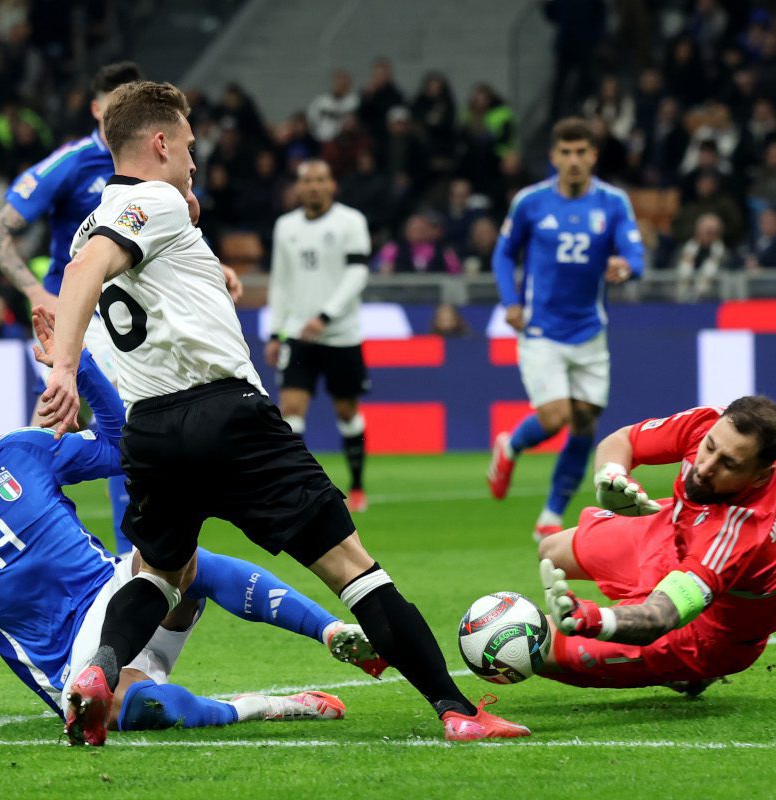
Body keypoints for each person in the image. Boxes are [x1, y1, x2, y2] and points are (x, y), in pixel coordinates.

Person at [39, 80, 528, 745]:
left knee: (159, 572)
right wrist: (64, 371)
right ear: (157, 143)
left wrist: (207, 267)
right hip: (225, 414)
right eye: (186, 146)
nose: (192, 160)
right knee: (352, 567)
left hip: (150, 429)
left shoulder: (101, 217)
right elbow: (90, 270)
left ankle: (100, 670)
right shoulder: (153, 201)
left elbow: (105, 271)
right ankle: (458, 711)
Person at [0, 308, 379, 735]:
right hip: (66, 661)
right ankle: (266, 706)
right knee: (129, 712)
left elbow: (120, 442)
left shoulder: (21, 450)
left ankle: (335, 634)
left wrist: (78, 367)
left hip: (122, 599)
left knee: (177, 558)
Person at [533, 396, 776, 693]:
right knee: (551, 551)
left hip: (707, 626)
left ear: (760, 476)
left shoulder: (740, 533)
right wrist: (610, 475)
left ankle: (689, 671)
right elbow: (622, 440)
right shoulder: (708, 423)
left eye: (728, 464)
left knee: (534, 646)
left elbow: (659, 617)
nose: (705, 468)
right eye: (710, 447)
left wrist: (595, 619)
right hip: (675, 531)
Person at [0, 61, 144, 555]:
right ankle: (17, 538)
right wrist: (34, 291)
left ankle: (130, 556)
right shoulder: (70, 165)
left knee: (127, 430)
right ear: (97, 109)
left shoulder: (150, 166)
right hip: (76, 316)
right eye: (118, 105)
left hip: (129, 315)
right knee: (58, 428)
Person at [487, 117, 645, 541]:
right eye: (566, 152)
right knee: (555, 416)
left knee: (585, 425)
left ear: (593, 155)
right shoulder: (531, 202)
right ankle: (511, 446)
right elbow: (503, 255)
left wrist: (624, 266)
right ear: (554, 156)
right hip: (542, 330)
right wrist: (510, 302)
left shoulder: (613, 203)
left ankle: (551, 515)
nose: (574, 160)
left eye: (582, 152)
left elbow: (636, 253)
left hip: (590, 331)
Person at [265, 159, 373, 513]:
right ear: (298, 188)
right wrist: (275, 332)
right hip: (298, 335)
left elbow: (357, 275)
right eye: (307, 180)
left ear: (332, 185)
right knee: (292, 410)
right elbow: (281, 281)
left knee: (347, 411)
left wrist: (326, 316)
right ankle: (302, 488)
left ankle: (357, 486)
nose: (314, 186)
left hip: (341, 335)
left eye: (321, 180)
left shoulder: (351, 222)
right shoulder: (286, 226)